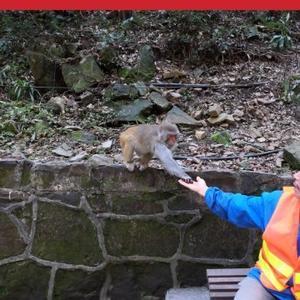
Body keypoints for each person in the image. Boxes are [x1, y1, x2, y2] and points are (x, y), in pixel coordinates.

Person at [178, 171, 300, 300]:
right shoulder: (278, 203)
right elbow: (240, 205)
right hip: (267, 284)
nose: (296, 176)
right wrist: (207, 192)